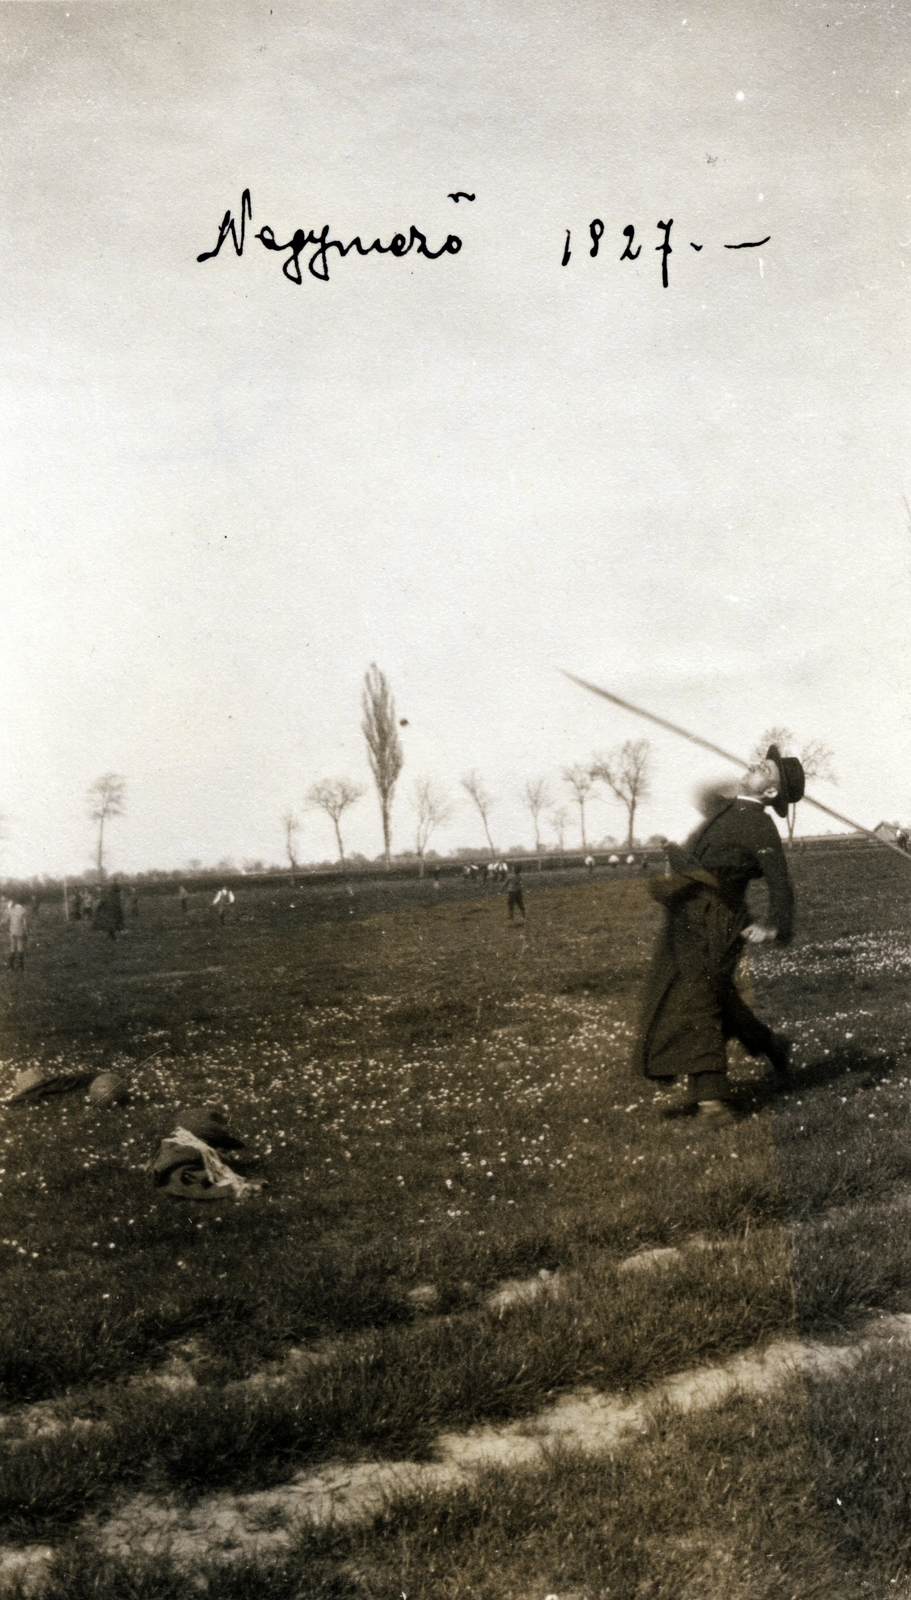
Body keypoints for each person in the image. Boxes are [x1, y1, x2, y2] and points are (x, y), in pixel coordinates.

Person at [633, 744, 805, 1125]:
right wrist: (745, 778)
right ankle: (769, 1043)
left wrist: (774, 925)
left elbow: (780, 882)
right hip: (687, 918)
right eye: (761, 762)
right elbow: (706, 794)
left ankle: (713, 1103)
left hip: (720, 922)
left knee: (699, 999)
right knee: (715, 996)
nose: (756, 763)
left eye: (766, 769)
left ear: (771, 792)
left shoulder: (760, 824)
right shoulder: (726, 807)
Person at [8, 901, 28, 969]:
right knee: (20, 948)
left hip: (12, 931)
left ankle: (10, 965)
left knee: (12, 948)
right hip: (20, 932)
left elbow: (9, 920)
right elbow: (25, 923)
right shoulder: (23, 910)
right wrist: (26, 932)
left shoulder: (11, 910)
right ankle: (20, 966)